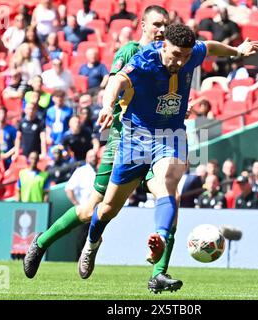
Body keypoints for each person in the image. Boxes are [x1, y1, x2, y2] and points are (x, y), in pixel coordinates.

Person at [77, 24, 258, 279]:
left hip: (171, 136)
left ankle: (160, 239)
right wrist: (108, 106)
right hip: (135, 138)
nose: (180, 61)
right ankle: (92, 243)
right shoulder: (145, 59)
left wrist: (237, 51)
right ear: (164, 46)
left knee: (167, 184)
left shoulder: (191, 53)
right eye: (176, 54)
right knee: (108, 208)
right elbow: (118, 80)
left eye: (185, 56)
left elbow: (208, 47)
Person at [23, 6, 180, 292]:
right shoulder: (131, 52)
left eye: (165, 25)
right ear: (142, 25)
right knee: (91, 209)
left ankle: (158, 274)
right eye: (156, 24)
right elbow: (115, 83)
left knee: (170, 197)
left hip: (160, 140)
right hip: (124, 139)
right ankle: (44, 243)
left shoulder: (170, 57)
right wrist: (111, 105)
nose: (161, 30)